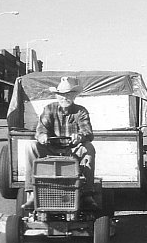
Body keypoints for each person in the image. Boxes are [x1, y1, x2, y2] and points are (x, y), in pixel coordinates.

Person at [21, 76, 97, 209]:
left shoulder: (80, 111)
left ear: (74, 96)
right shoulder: (49, 109)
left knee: (89, 148)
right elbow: (40, 130)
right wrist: (43, 136)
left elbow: (88, 132)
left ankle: (87, 194)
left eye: (68, 94)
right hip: (50, 149)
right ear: (56, 96)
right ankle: (31, 193)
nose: (64, 98)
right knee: (30, 146)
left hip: (72, 150)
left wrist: (79, 136)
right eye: (61, 95)